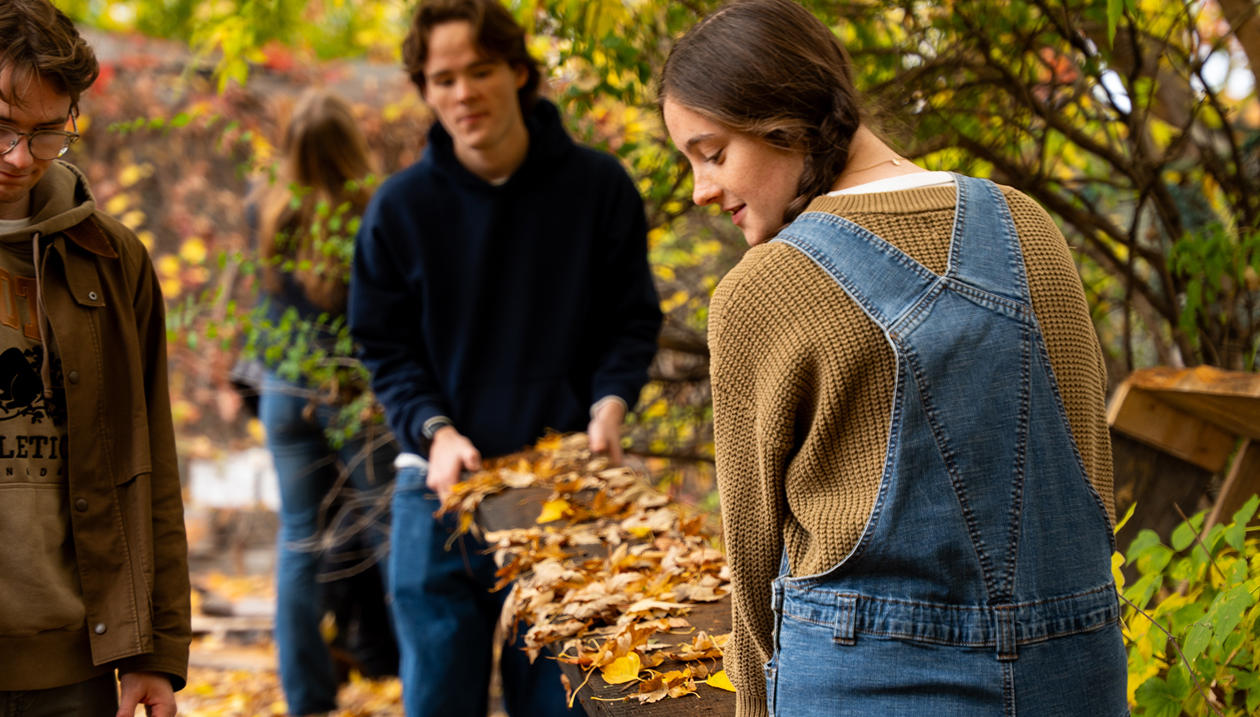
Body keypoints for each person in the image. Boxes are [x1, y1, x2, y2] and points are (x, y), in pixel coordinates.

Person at [658, 1, 1126, 715]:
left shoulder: (762, 289)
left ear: (783, 120)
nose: (700, 190)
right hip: (1074, 667)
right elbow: (1090, 482)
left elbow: (753, 567)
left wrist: (758, 702)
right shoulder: (1028, 225)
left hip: (865, 680)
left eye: (713, 152)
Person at [348, 0, 662, 713]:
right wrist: (435, 428)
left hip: (565, 489)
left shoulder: (598, 188)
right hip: (441, 489)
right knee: (438, 701)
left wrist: (610, 404)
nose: (463, 93)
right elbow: (383, 346)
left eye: (480, 70)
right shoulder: (399, 209)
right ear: (426, 90)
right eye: (443, 78)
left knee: (560, 702)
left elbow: (630, 319)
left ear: (519, 72)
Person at [0, 1, 191, 716]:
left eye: (47, 131)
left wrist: (154, 649)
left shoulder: (111, 260)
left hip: (73, 669)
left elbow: (150, 463)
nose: (20, 156)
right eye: (2, 126)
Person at [251, 88, 397, 716]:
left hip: (283, 390)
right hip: (356, 394)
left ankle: (307, 701)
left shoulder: (264, 205)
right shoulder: (375, 209)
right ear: (350, 146)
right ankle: (420, 681)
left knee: (298, 542)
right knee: (394, 533)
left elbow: (262, 308)